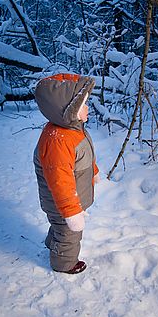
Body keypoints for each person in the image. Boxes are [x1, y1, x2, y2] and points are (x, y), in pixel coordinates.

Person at [33, 73, 99, 274]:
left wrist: (93, 171)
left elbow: (84, 155)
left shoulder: (72, 130)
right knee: (68, 232)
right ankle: (64, 263)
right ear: (68, 111)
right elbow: (60, 182)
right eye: (83, 105)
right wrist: (71, 213)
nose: (88, 108)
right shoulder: (58, 141)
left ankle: (53, 242)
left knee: (59, 227)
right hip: (63, 203)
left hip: (70, 198)